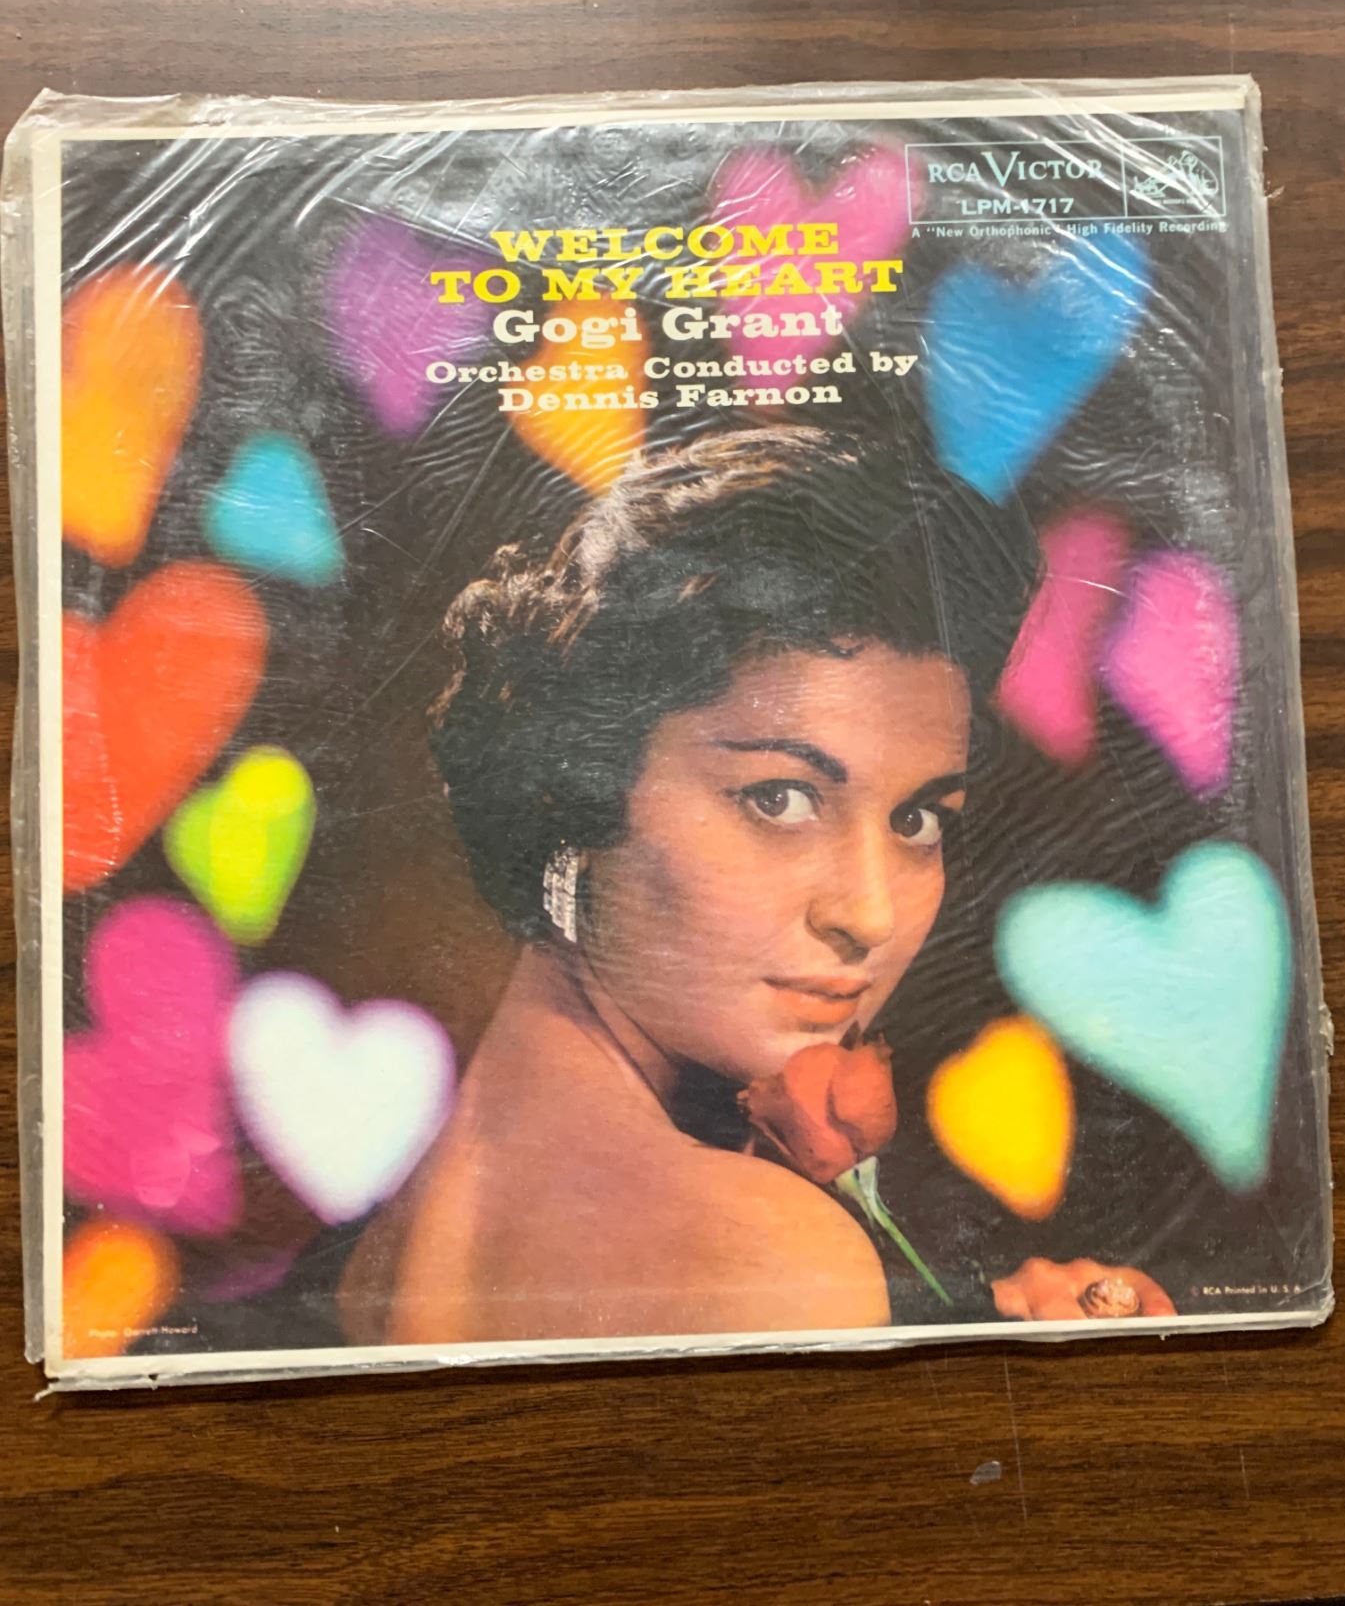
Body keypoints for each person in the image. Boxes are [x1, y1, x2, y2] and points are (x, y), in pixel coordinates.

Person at [339, 424, 1174, 1344]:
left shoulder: (407, 1224)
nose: (869, 914)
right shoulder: (766, 1251)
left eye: (917, 819)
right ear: (575, 790)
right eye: (780, 798)